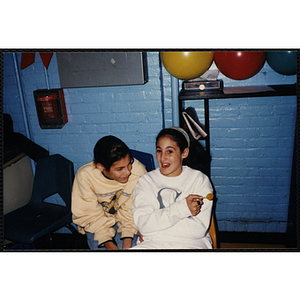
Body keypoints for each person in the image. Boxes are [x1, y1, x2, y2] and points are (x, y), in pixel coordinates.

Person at [131, 127, 213, 249]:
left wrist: (153, 229)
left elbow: (198, 229)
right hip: (152, 244)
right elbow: (144, 225)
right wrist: (183, 208)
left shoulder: (199, 180)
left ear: (184, 153)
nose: (163, 158)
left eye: (169, 151)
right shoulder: (146, 181)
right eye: (159, 151)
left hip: (192, 244)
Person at [72, 135, 147, 250]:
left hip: (129, 220)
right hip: (97, 223)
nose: (128, 172)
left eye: (129, 164)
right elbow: (89, 214)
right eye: (119, 169)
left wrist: (127, 244)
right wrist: (108, 243)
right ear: (101, 167)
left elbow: (131, 211)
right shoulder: (85, 176)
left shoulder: (137, 171)